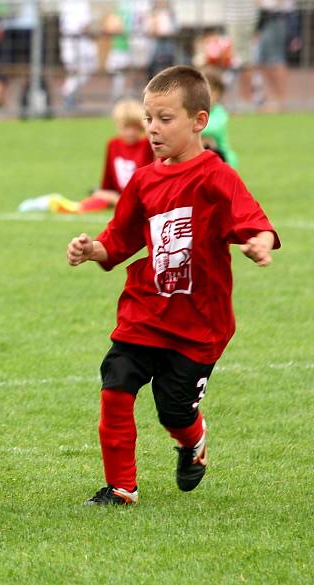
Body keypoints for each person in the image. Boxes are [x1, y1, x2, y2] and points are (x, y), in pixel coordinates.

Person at [66, 65, 280, 506]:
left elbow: (251, 220)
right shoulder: (143, 180)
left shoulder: (216, 175)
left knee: (174, 408)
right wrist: (93, 250)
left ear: (198, 121)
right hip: (144, 311)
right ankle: (121, 488)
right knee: (116, 382)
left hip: (199, 323)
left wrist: (259, 242)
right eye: (148, 118)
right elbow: (119, 240)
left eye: (165, 119)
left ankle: (192, 441)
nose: (152, 129)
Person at [75, 98, 154, 213]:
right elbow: (109, 176)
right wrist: (104, 192)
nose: (131, 132)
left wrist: (144, 121)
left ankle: (119, 200)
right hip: (119, 193)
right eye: (126, 127)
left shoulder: (147, 144)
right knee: (96, 194)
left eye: (135, 127)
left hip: (141, 195)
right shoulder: (113, 144)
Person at [201, 66, 238, 167]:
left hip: (221, 156)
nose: (206, 96)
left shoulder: (219, 112)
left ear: (219, 94)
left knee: (206, 141)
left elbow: (213, 128)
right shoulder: (193, 112)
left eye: (211, 92)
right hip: (201, 155)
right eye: (202, 91)